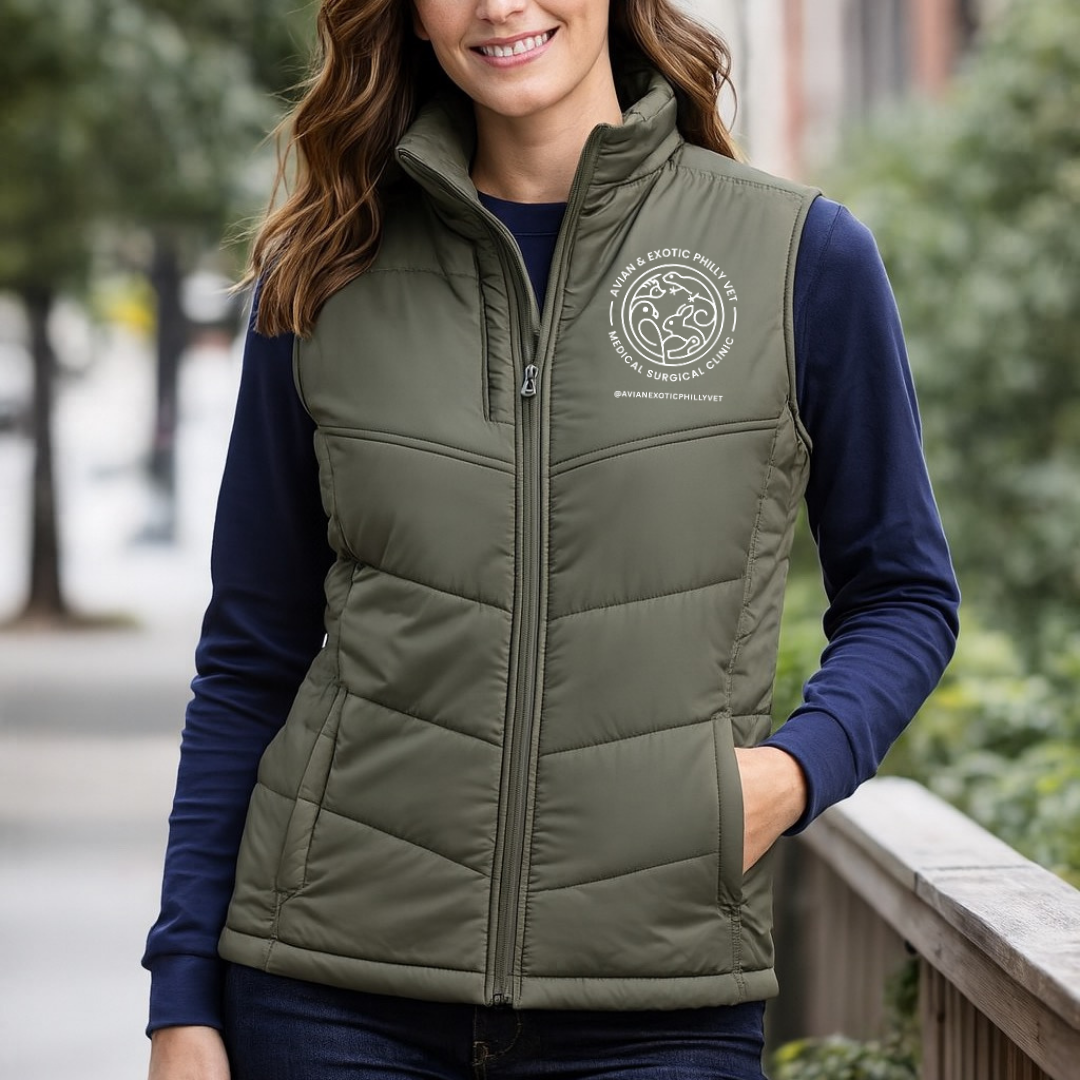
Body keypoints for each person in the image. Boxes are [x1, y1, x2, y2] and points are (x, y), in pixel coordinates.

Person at [143, 0, 960, 1076]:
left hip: (658, 1000)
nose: (499, 6)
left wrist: (788, 778)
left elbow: (905, 595)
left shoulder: (798, 258)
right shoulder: (327, 266)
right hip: (330, 989)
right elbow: (252, 656)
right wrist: (183, 998)